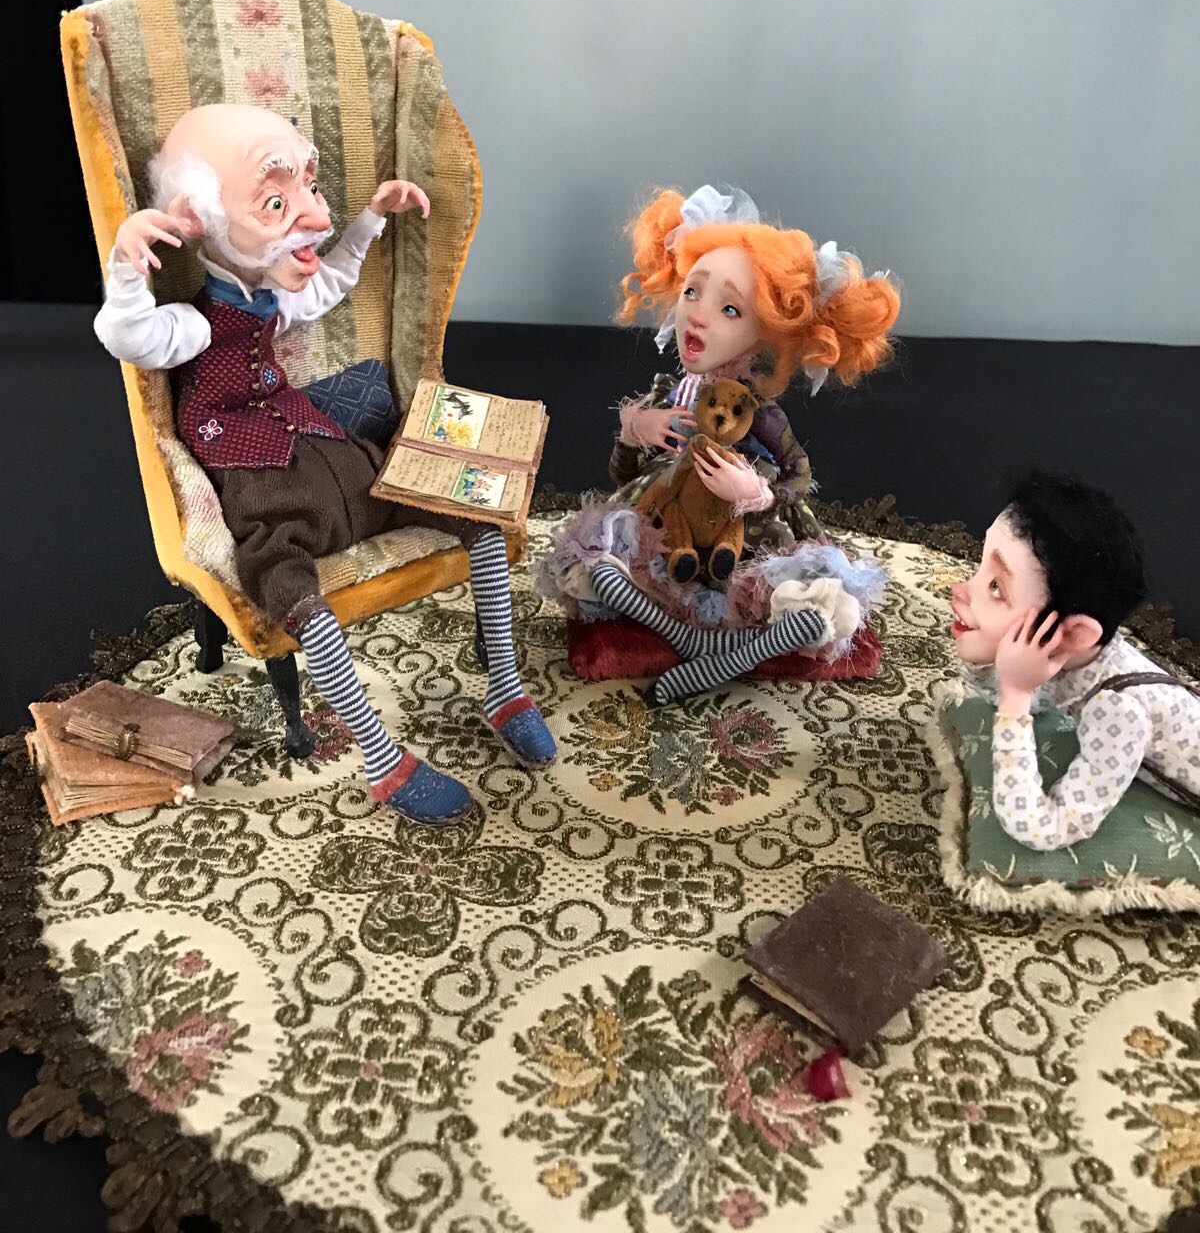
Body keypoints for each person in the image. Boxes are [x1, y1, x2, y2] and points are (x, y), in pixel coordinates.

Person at [94, 103, 555, 826]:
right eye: (276, 202)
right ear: (202, 220)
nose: (314, 214)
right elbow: (128, 337)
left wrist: (368, 221)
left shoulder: (272, 303)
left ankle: (505, 685)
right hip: (272, 493)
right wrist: (126, 264)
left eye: (308, 189)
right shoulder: (191, 324)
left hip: (344, 461)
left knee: (480, 516)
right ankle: (382, 758)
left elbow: (329, 284)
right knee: (296, 599)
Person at [536, 184, 901, 704]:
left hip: (744, 537)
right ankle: (711, 641)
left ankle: (730, 639)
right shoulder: (670, 395)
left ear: (764, 330)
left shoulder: (758, 412)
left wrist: (756, 493)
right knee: (600, 559)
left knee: (794, 592)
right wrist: (636, 428)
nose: (698, 315)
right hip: (667, 532)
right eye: (692, 292)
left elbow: (798, 473)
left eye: (730, 308)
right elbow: (626, 477)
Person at [950, 470, 1199, 850]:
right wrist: (1007, 675)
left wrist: (1015, 698)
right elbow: (1026, 690)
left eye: (996, 587)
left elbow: (1042, 829)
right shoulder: (1082, 658)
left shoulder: (1118, 712)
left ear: (1073, 635)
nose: (960, 590)